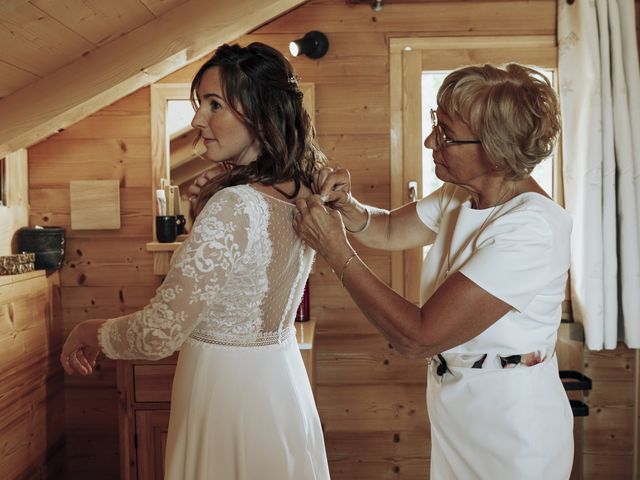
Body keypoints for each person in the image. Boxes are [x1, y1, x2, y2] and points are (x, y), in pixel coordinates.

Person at [60, 42, 331, 480]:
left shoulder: (236, 205)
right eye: (199, 103)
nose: (197, 119)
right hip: (282, 386)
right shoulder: (302, 196)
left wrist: (90, 330)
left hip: (226, 396)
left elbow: (160, 332)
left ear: (259, 112)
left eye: (214, 104)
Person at [293, 63, 573, 479]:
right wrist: (347, 208)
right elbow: (386, 227)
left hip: (512, 428)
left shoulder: (531, 228)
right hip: (459, 409)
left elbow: (418, 336)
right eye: (434, 124)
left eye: (444, 132)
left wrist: (336, 251)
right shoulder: (461, 195)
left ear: (494, 148)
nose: (430, 141)